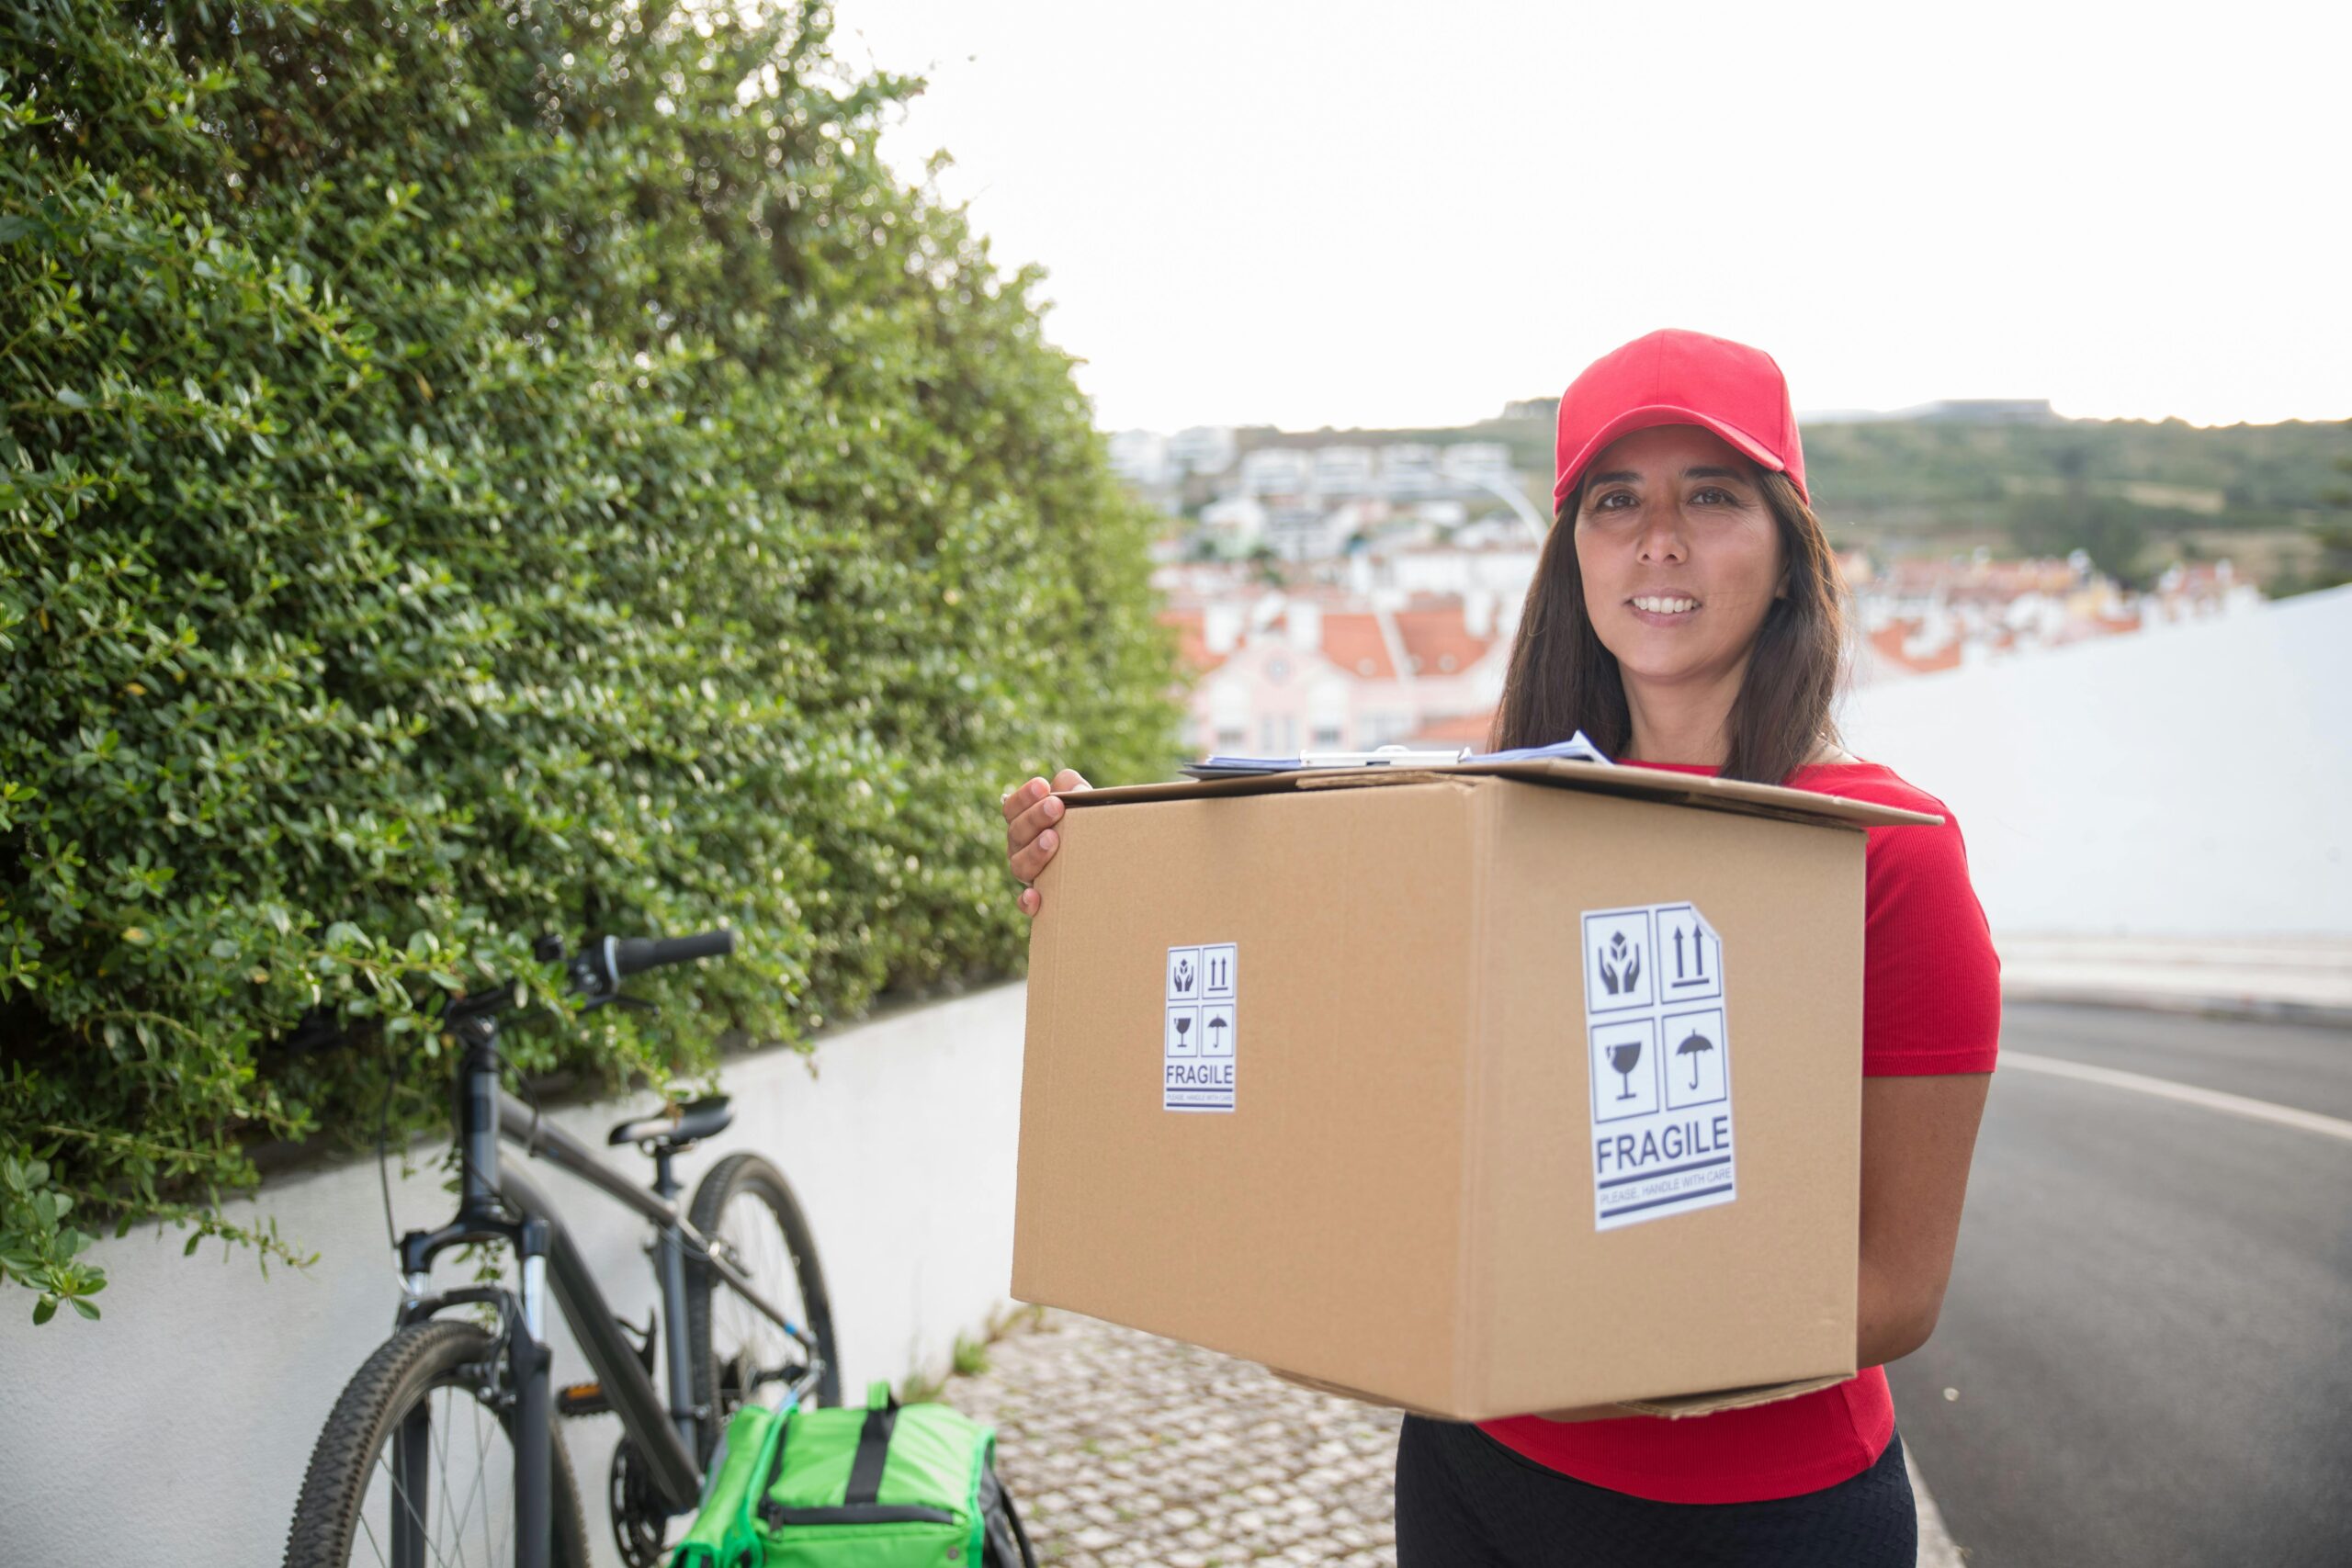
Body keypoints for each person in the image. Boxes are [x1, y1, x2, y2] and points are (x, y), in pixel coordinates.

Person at [999, 328, 1999, 1567]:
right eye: (1616, 500)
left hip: (1755, 1517)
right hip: (1478, 1471)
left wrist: (1598, 1357)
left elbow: (1899, 1287)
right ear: (1571, 552)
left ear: (1792, 555)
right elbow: (1331, 1026)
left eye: (1714, 495)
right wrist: (1106, 890)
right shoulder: (1489, 819)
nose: (1660, 537)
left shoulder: (1888, 849)